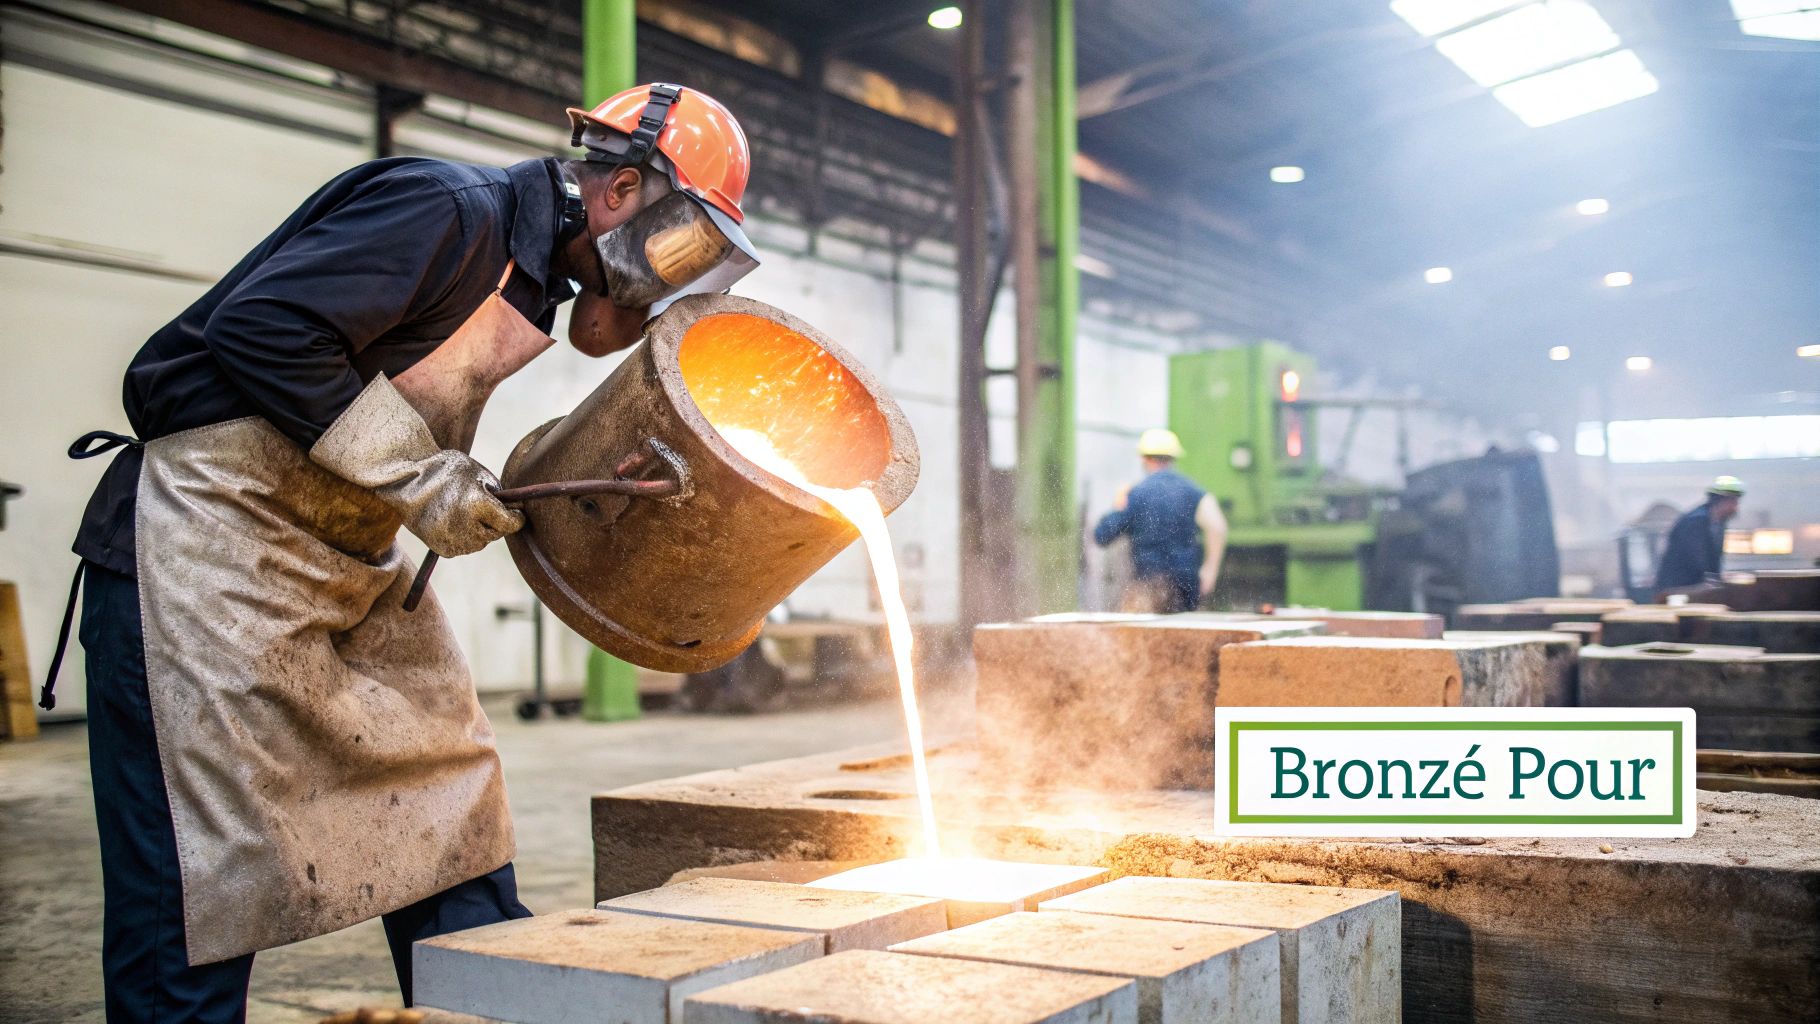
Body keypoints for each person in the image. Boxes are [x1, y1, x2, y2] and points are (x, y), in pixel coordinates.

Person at [42, 83, 759, 1022]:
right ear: (620, 191)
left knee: (454, 818)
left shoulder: (531, 284)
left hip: (341, 570)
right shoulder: (449, 211)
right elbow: (262, 329)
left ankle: (494, 1003)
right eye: (683, 242)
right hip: (206, 562)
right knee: (199, 894)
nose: (677, 271)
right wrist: (418, 477)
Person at [1092, 428, 1229, 613]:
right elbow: (1217, 526)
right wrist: (1210, 570)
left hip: (1149, 584)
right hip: (1186, 585)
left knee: (1144, 637)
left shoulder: (1136, 493)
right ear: (1173, 459)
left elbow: (1102, 535)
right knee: (1183, 637)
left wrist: (1119, 504)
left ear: (1144, 459)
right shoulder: (1192, 491)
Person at [1654, 476, 1744, 590]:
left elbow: (1714, 561)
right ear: (1722, 501)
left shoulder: (1718, 523)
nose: (1735, 508)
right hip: (1679, 588)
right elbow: (1698, 559)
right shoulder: (1696, 521)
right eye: (1734, 502)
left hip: (1697, 586)